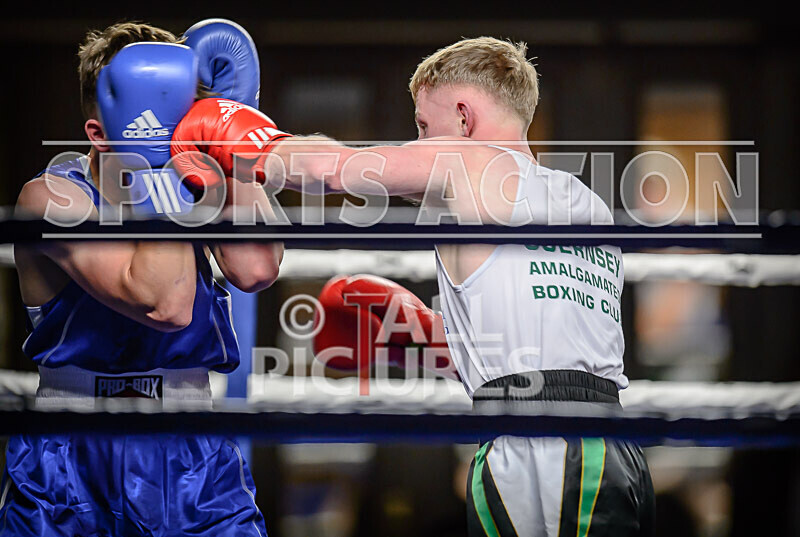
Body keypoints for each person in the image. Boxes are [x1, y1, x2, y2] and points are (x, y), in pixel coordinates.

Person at [172, 36, 655, 536]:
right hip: (615, 446)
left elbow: (334, 171)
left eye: (425, 126)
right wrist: (418, 338)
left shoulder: (465, 161)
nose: (420, 143)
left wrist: (242, 138)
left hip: (538, 449)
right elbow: (546, 353)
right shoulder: (588, 204)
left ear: (464, 119)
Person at [1, 21, 282, 536]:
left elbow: (256, 269)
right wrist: (153, 164)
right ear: (98, 133)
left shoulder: (194, 179)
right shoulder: (52, 198)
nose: (175, 135)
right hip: (72, 451)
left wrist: (229, 152)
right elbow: (163, 304)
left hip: (190, 447)